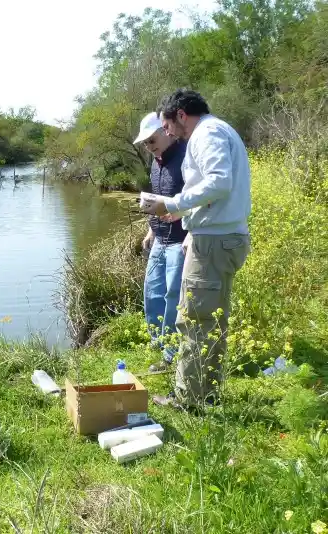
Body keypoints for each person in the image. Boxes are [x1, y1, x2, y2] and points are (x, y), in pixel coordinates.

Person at [144, 89, 251, 408]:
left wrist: (173, 203)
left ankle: (191, 399)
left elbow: (219, 182)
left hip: (215, 241)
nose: (167, 133)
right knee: (205, 318)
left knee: (195, 319)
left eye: (166, 126)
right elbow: (216, 191)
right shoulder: (214, 131)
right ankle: (203, 393)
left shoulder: (208, 132)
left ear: (181, 115)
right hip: (216, 236)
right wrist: (188, 215)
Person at [132, 112, 187, 372]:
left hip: (179, 241)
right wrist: (150, 231)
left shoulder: (187, 156)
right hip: (159, 240)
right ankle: (158, 341)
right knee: (152, 293)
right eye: (144, 143)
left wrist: (191, 235)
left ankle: (171, 354)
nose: (148, 145)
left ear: (165, 132)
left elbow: (199, 199)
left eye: (151, 139)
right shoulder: (156, 163)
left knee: (173, 297)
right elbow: (154, 199)